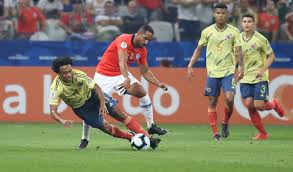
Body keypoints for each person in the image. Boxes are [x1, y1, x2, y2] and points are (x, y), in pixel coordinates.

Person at [78, 24, 168, 149]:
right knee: (91, 107)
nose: (146, 42)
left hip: (121, 75)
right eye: (145, 38)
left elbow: (145, 71)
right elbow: (122, 61)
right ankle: (85, 138)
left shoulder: (142, 50)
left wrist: (158, 83)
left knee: (141, 92)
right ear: (138, 33)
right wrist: (126, 78)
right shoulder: (124, 39)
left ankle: (151, 125)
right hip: (104, 76)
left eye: (148, 40)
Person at [49, 57, 161, 149]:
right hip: (81, 108)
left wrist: (102, 104)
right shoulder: (56, 88)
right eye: (65, 73)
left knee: (118, 113)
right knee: (106, 128)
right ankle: (130, 137)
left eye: (70, 71)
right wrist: (61, 120)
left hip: (94, 96)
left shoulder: (79, 75)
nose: (69, 74)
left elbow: (97, 88)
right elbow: (53, 111)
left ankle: (148, 138)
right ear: (58, 73)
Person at [187, 3, 243, 141]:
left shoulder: (234, 31)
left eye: (223, 13)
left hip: (228, 71)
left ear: (227, 15)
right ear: (214, 14)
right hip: (212, 72)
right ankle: (215, 132)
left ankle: (224, 122)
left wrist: (241, 67)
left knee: (229, 99)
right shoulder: (207, 31)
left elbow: (238, 51)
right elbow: (199, 49)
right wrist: (190, 65)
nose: (220, 15)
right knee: (213, 101)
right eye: (218, 13)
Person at [238, 14, 284, 140]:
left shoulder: (261, 39)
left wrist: (263, 69)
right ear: (242, 23)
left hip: (260, 76)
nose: (246, 24)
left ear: (254, 24)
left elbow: (271, 56)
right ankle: (263, 133)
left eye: (249, 21)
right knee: (249, 104)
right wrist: (240, 69)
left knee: (258, 105)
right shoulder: (238, 38)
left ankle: (274, 104)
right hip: (246, 77)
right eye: (244, 21)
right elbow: (239, 56)